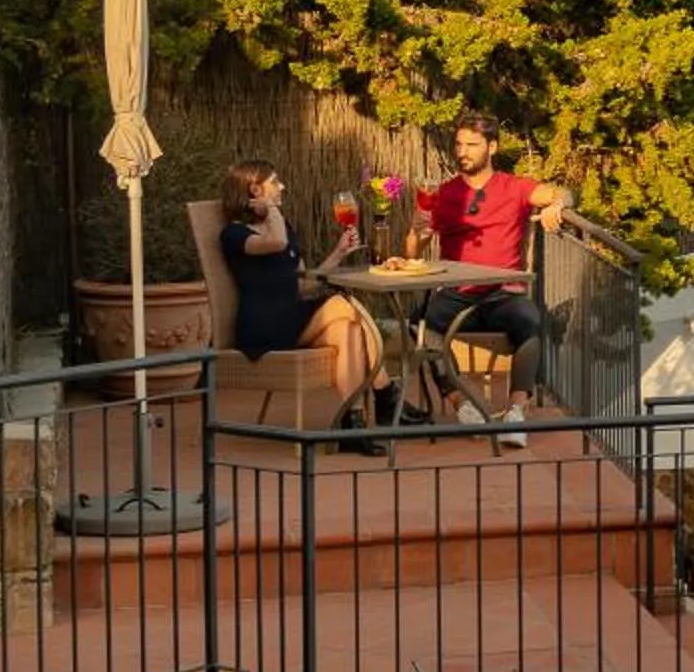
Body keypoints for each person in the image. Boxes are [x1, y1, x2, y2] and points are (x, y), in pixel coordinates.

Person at [218, 160, 398, 451]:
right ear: (254, 189)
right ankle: (386, 392)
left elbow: (304, 285)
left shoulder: (283, 226)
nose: (283, 187)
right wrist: (270, 209)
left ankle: (352, 427)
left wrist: (338, 253)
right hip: (262, 328)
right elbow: (275, 243)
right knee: (342, 304)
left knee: (347, 329)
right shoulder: (234, 235)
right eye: (275, 182)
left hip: (291, 318)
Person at [419, 111, 568, 442]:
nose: (463, 152)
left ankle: (516, 413)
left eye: (472, 145)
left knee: (529, 320)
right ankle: (462, 405)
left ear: (492, 147)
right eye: (459, 144)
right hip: (457, 293)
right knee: (423, 325)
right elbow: (413, 248)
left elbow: (562, 193)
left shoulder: (513, 188)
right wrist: (418, 235)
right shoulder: (444, 194)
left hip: (503, 293)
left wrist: (557, 206)